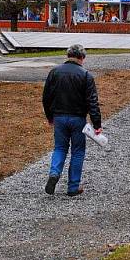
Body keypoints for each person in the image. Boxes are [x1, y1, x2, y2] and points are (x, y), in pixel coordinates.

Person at [42, 44, 102, 197]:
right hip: (77, 119)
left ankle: (54, 173)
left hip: (59, 118)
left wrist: (50, 117)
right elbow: (92, 102)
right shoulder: (86, 75)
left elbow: (46, 97)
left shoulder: (54, 72)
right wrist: (97, 125)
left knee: (60, 148)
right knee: (78, 151)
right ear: (82, 58)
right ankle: (73, 187)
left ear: (68, 56)